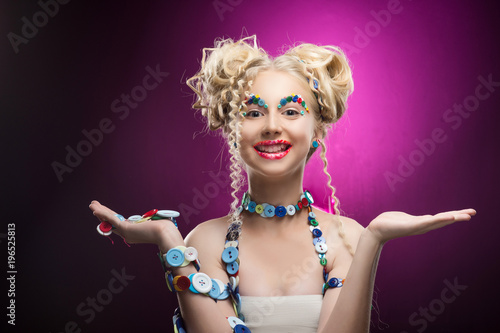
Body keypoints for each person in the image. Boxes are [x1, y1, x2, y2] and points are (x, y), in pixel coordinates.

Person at [89, 35, 476, 333]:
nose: (272, 125)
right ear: (233, 130)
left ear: (317, 128)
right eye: (254, 112)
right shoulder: (203, 244)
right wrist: (168, 240)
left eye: (291, 110)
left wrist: (373, 238)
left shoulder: (346, 239)